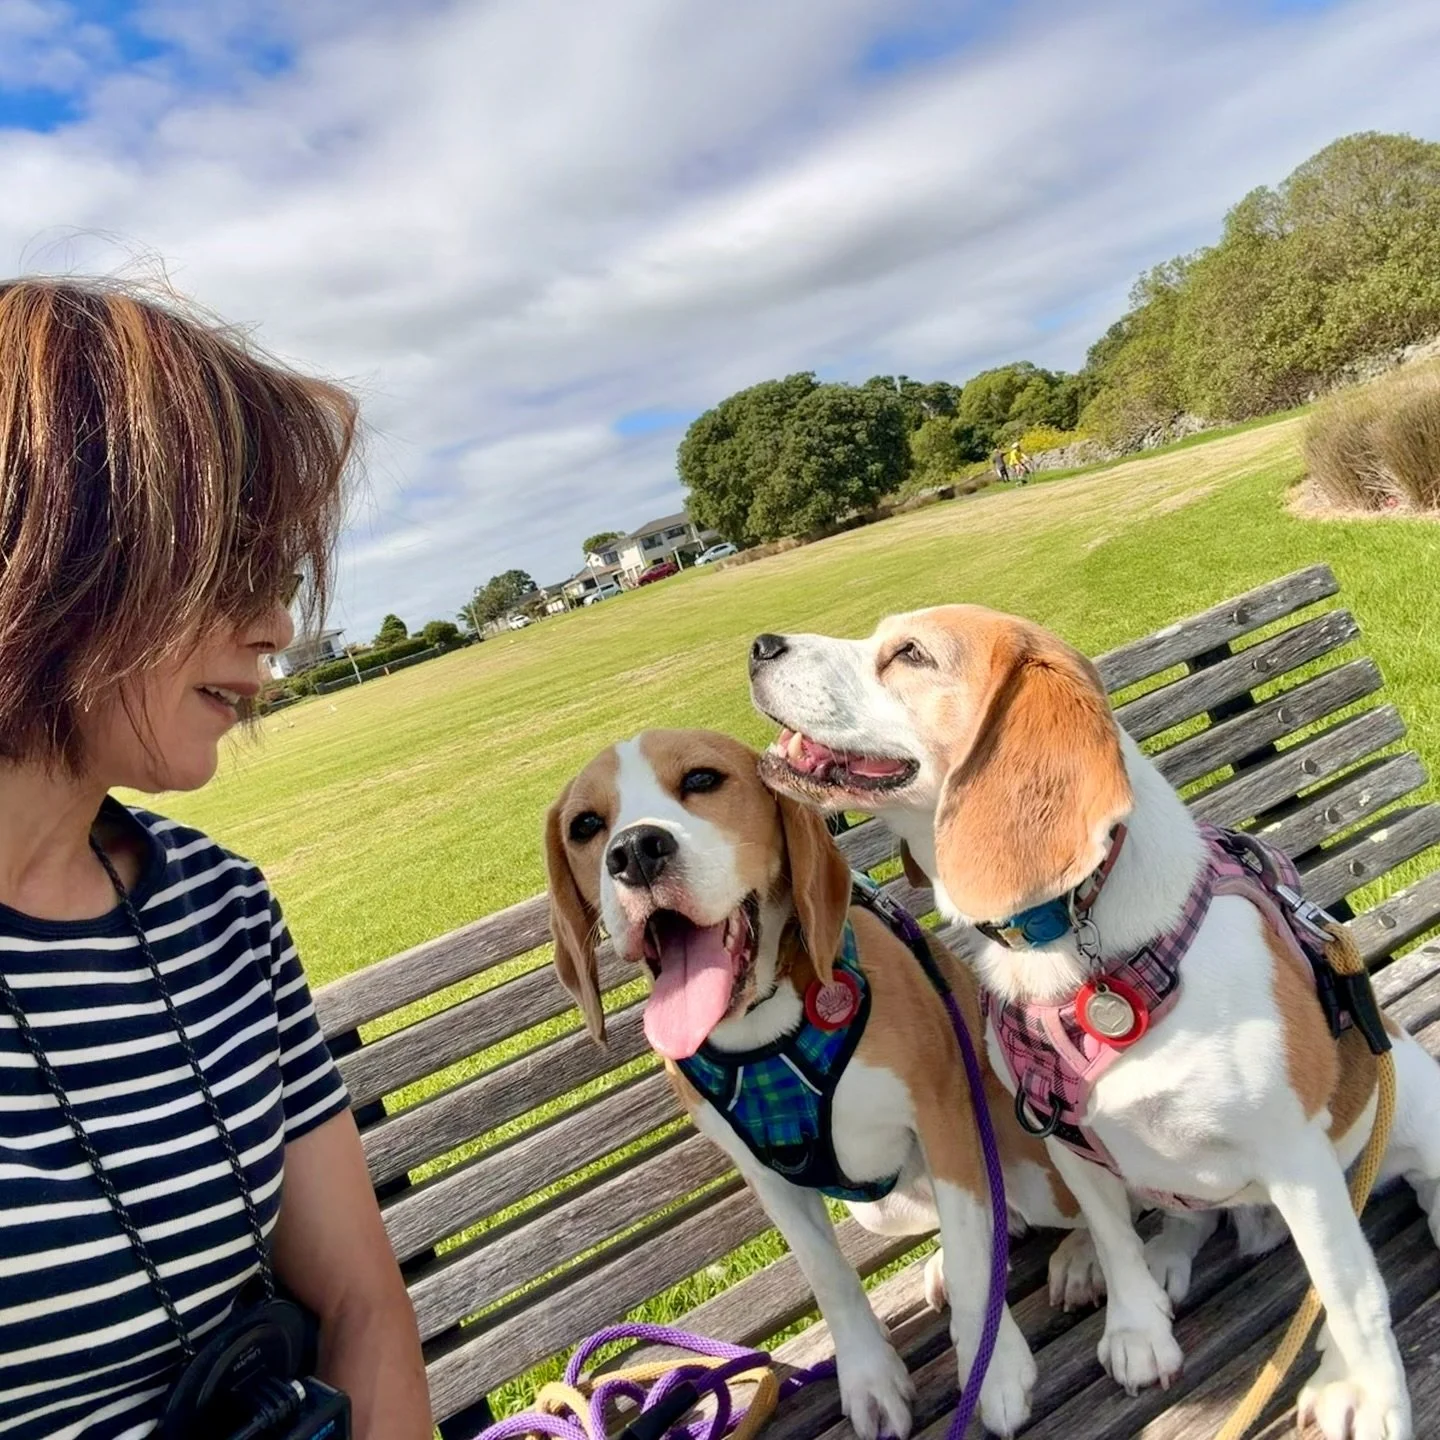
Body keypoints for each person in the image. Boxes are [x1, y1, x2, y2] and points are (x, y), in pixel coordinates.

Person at [0, 279, 433, 1439]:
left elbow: (361, 1306)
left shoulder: (220, 910)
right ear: (53, 549)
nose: (277, 623)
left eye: (279, 573)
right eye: (233, 562)